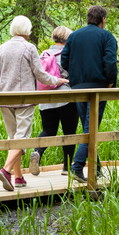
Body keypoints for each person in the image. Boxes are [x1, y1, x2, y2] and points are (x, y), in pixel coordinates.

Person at [0, 15, 67, 191]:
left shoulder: (2, 48)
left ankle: (19, 178)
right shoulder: (29, 48)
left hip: (4, 99)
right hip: (24, 99)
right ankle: (6, 171)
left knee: (13, 138)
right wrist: (58, 80)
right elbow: (40, 75)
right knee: (22, 137)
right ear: (27, 30)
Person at [61, 6, 118, 184]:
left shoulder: (74, 36)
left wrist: (74, 77)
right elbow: (110, 61)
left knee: (88, 127)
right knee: (90, 128)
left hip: (78, 87)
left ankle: (96, 167)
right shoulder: (107, 36)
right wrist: (110, 81)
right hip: (97, 87)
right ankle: (77, 167)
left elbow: (64, 59)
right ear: (102, 19)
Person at [29, 26, 78, 176]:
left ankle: (38, 152)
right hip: (66, 97)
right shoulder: (68, 53)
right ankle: (66, 167)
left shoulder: (43, 54)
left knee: (48, 130)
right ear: (68, 39)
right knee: (69, 132)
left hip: (46, 98)